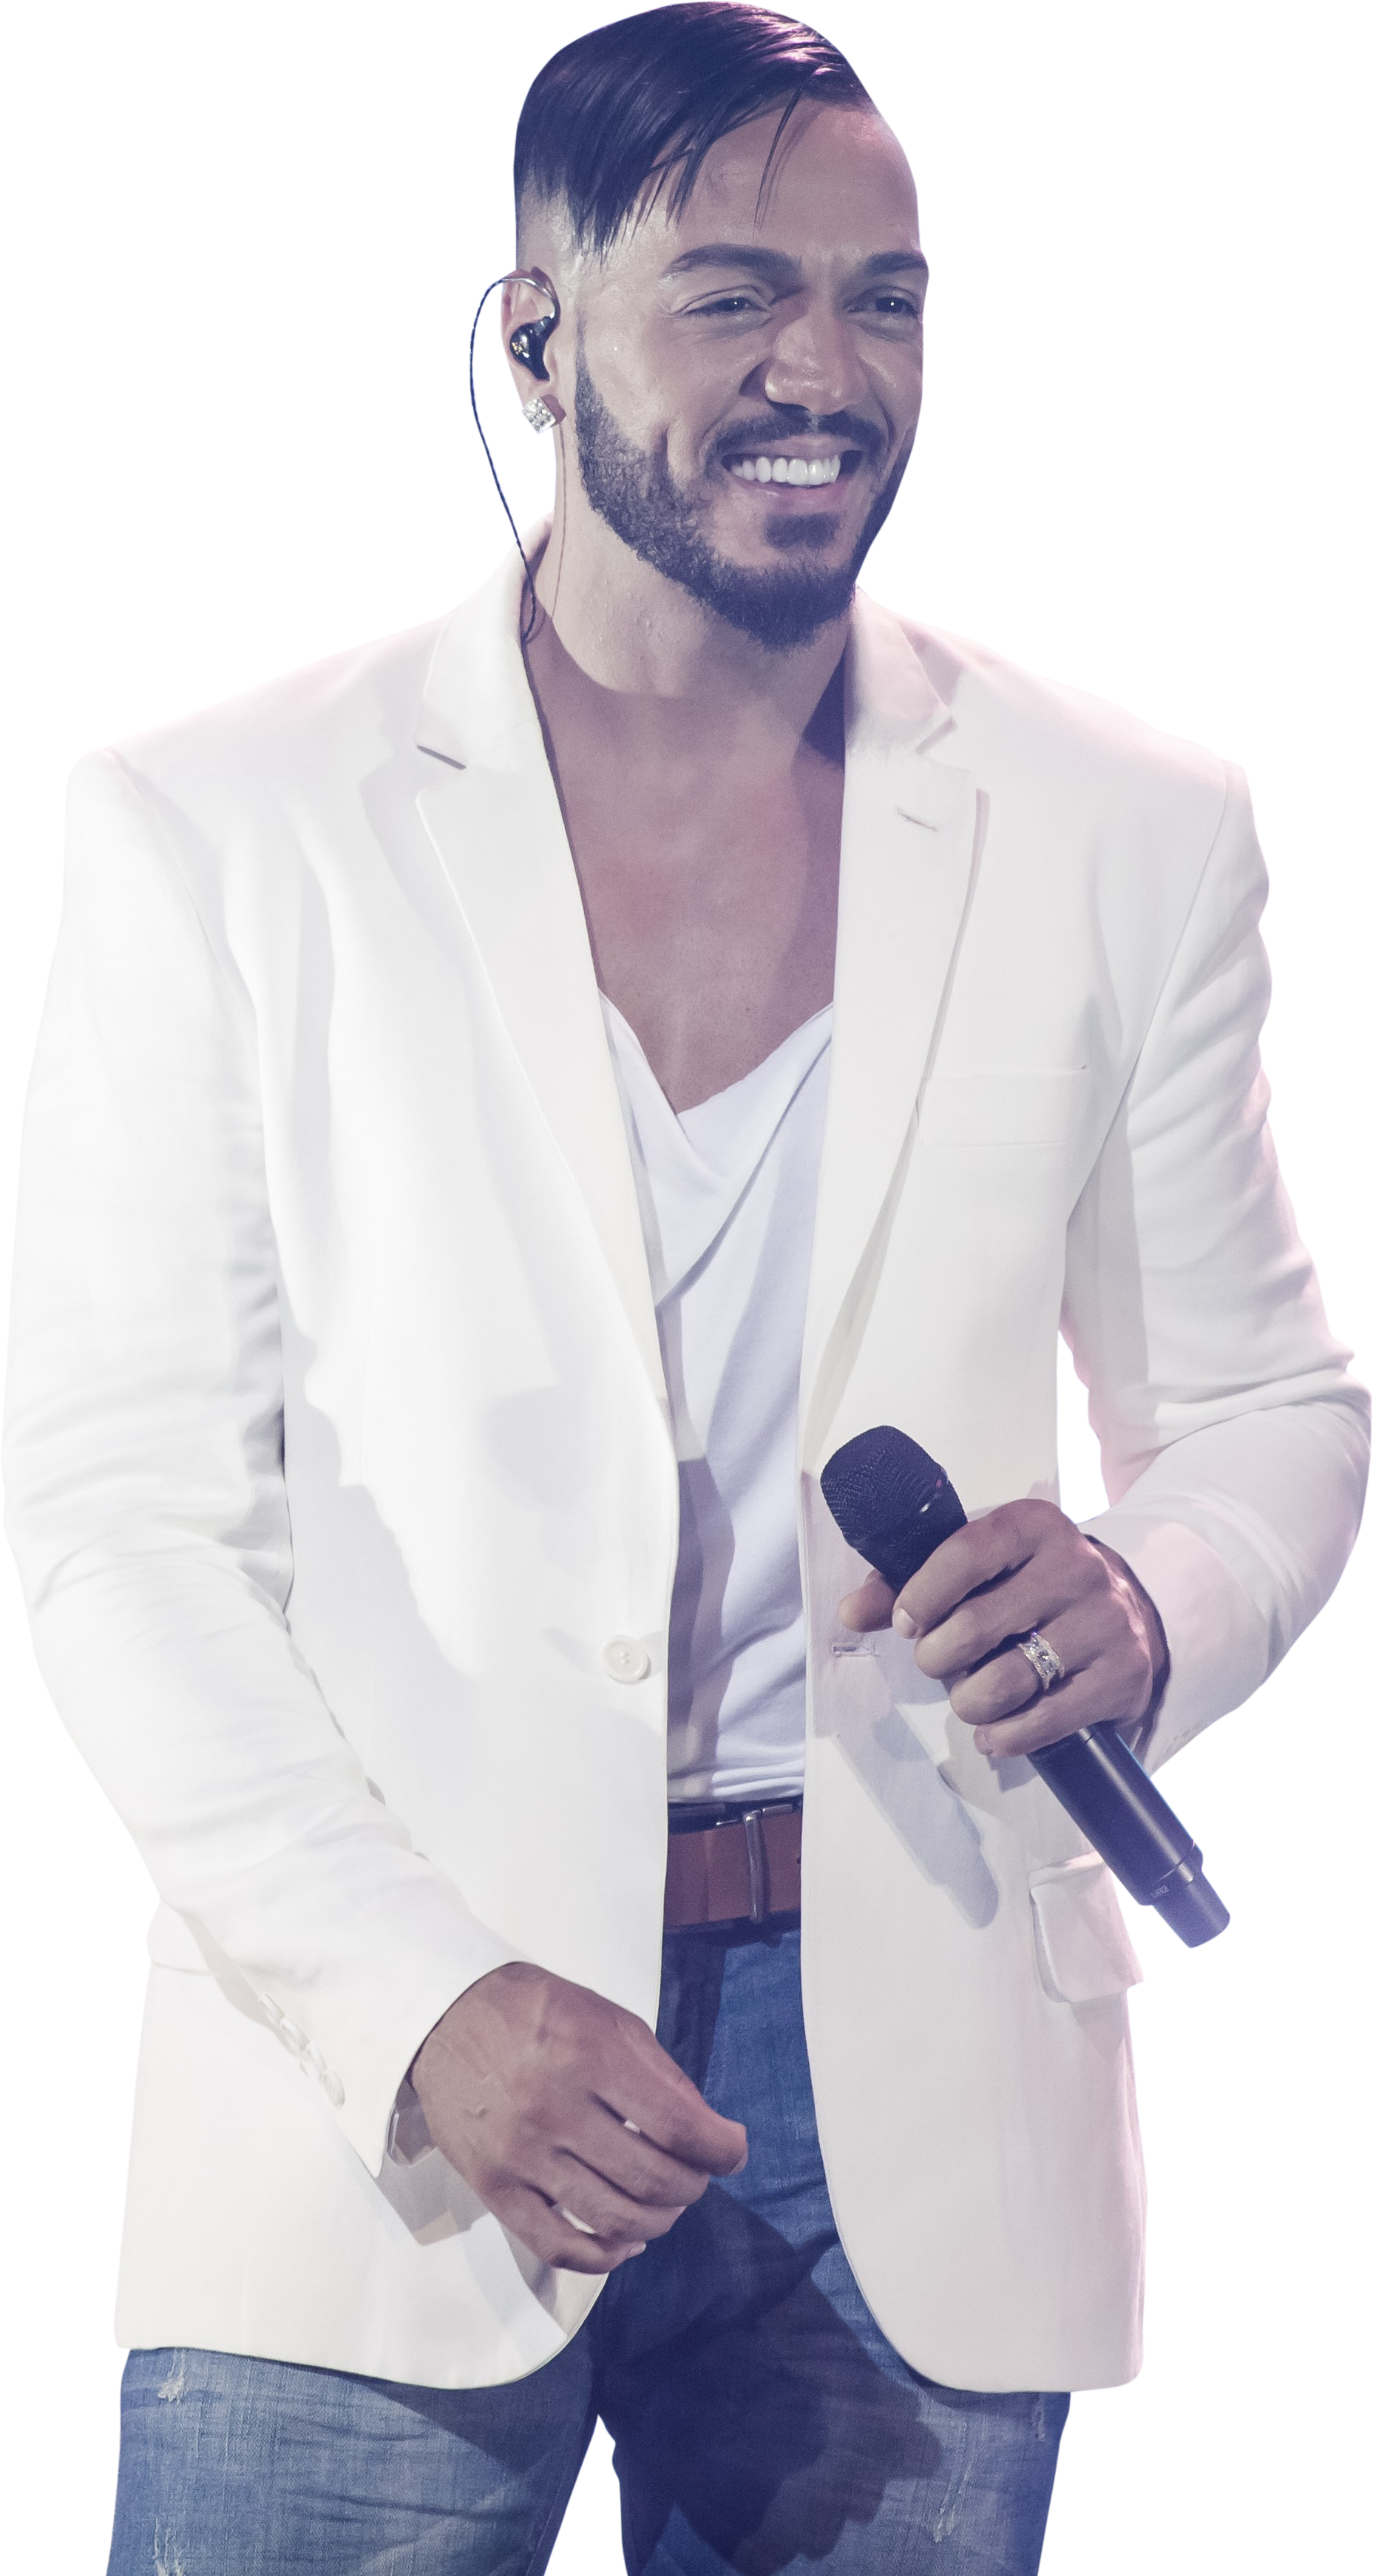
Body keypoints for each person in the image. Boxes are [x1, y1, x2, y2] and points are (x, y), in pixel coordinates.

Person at [4, 7, 1367, 2572]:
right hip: (376, 2073)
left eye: (883, 300)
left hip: (919, 2070)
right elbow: (114, 1517)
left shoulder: (1124, 829)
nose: (825, 374)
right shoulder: (231, 830)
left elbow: (1272, 1406)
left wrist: (1149, 1595)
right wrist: (418, 1998)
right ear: (537, 340)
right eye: (735, 295)